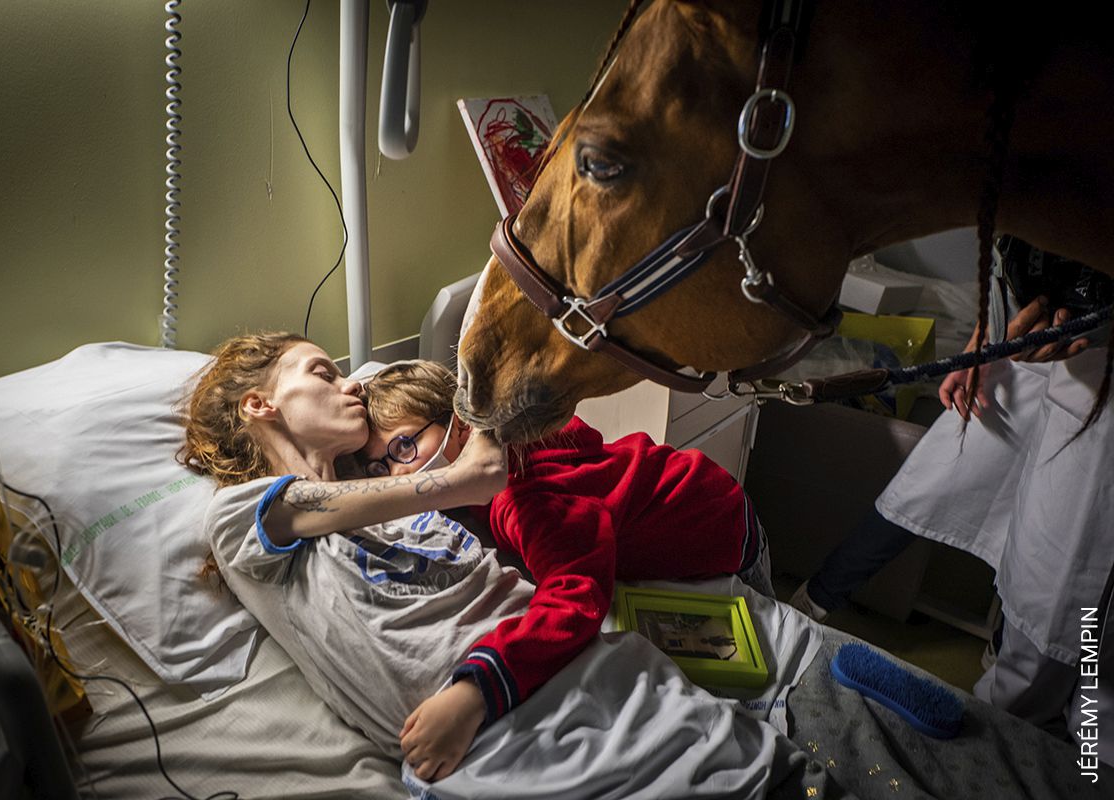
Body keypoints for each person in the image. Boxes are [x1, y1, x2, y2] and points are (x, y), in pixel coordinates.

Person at [180, 332, 836, 796]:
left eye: (405, 447)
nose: (349, 381)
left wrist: (474, 440)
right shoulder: (241, 516)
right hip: (530, 726)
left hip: (704, 541)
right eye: (322, 372)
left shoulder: (453, 501)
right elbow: (459, 487)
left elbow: (528, 525)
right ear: (261, 405)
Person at [789, 237, 1114, 761]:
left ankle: (1059, 749)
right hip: (1025, 361)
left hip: (1096, 393)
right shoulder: (1023, 190)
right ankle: (815, 600)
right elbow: (1006, 264)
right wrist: (982, 343)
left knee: (1057, 593)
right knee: (925, 487)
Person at [358, 360, 774, 769]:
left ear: (460, 426)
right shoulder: (511, 447)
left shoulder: (524, 497)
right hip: (690, 489)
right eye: (382, 466)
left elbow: (576, 595)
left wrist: (477, 692)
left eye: (403, 447)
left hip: (721, 524)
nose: (397, 473)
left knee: (763, 654)